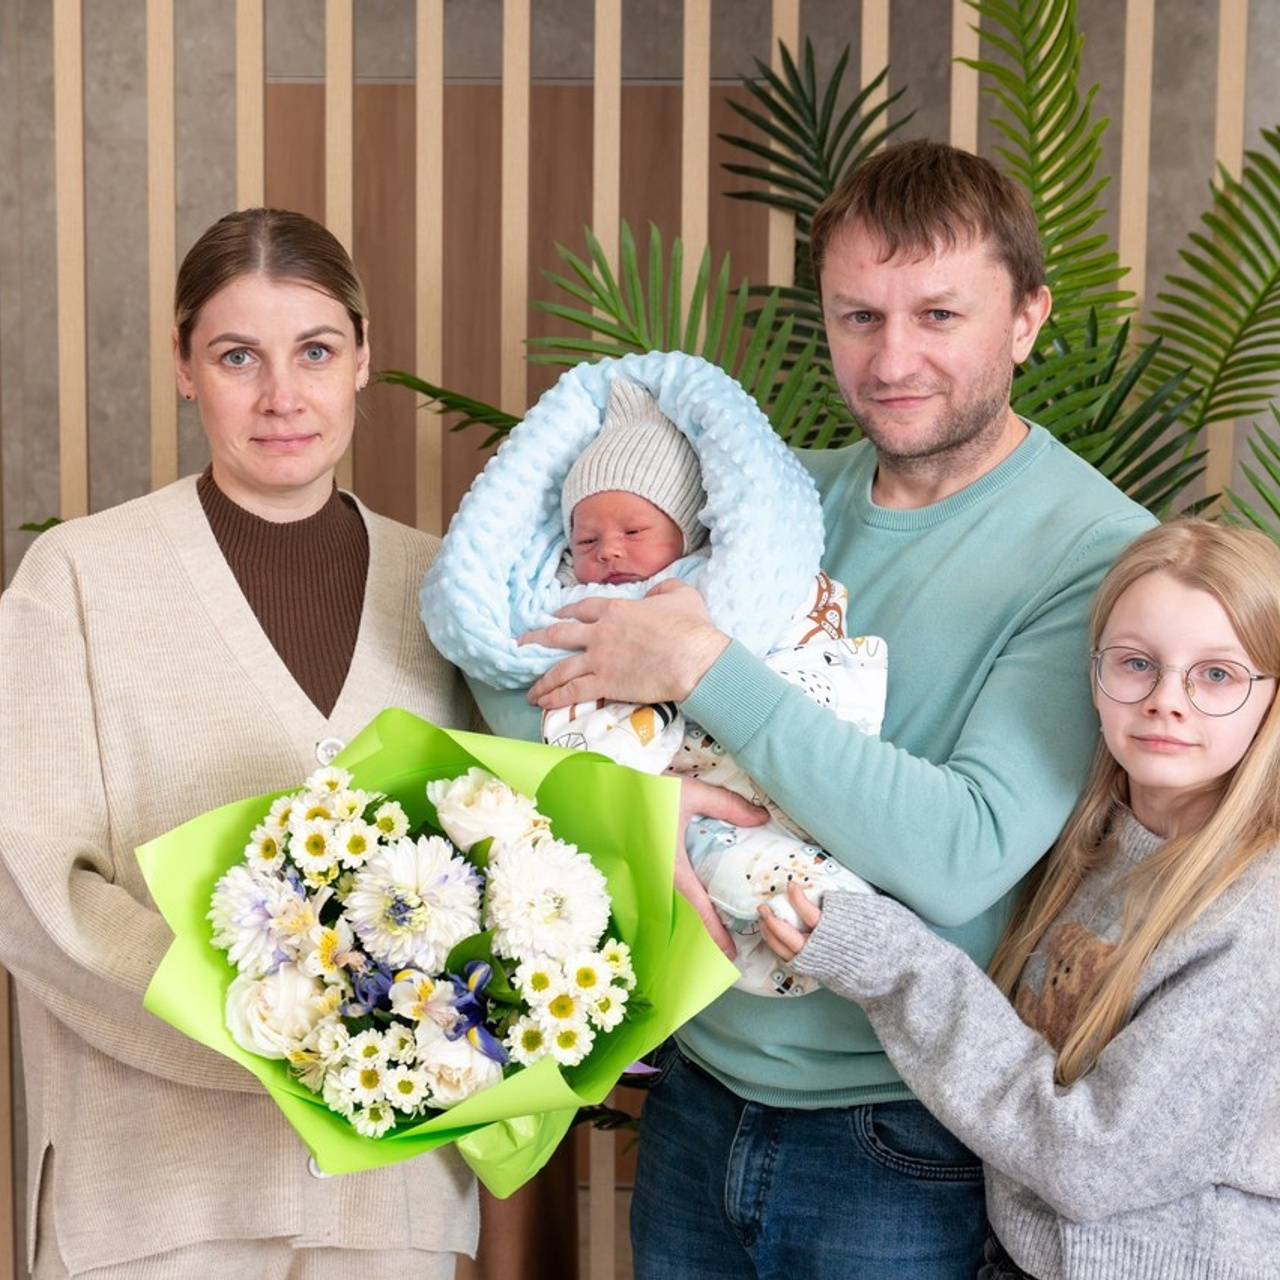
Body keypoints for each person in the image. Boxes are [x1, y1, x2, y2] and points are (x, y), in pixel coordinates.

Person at [522, 140, 1158, 1276]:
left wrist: (705, 666)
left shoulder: (1096, 552)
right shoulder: (774, 501)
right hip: (693, 1093)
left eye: (936, 315)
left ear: (1024, 318)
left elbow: (961, 850)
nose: (892, 356)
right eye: (857, 316)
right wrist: (627, 802)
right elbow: (549, 662)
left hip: (897, 1135)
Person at [0, 208, 478, 1277]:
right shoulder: (76, 582)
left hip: (387, 1194)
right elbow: (26, 885)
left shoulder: (447, 592)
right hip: (153, 1195)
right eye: (236, 356)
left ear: (363, 356)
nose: (281, 396)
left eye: (314, 351)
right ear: (183, 367)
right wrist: (268, 1029)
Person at [761, 519, 1280, 1280]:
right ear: (1094, 675)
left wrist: (895, 965)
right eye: (1137, 663)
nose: (1168, 700)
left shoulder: (1253, 919)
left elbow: (1089, 1162)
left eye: (1217, 675)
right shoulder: (1094, 845)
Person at [421, 355, 886, 998]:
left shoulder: (711, 583)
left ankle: (828, 906)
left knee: (784, 851)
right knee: (713, 875)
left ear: (687, 528)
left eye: (634, 530)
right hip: (647, 773)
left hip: (753, 755)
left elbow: (791, 625)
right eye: (586, 539)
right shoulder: (560, 603)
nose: (608, 550)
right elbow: (536, 667)